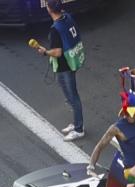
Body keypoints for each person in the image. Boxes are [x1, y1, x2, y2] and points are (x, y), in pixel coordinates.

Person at [32, 0, 87, 140]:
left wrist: (45, 52)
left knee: (72, 97)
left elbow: (57, 52)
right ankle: (76, 122)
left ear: (49, 9)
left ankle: (79, 129)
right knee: (69, 95)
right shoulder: (67, 17)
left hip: (65, 65)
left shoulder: (55, 29)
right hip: (72, 60)